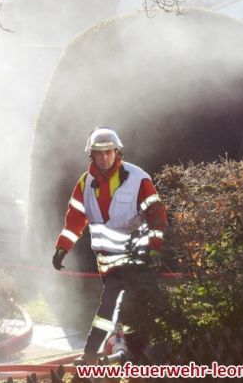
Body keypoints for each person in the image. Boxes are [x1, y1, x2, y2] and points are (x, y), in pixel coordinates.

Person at [52, 127, 167, 364]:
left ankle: (93, 354)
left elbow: (157, 215)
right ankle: (134, 354)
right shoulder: (85, 184)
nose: (104, 157)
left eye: (109, 152)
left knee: (112, 306)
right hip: (107, 262)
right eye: (99, 153)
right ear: (91, 155)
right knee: (126, 309)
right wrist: (62, 247)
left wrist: (154, 247)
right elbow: (75, 219)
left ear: (117, 152)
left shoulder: (138, 179)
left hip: (136, 258)